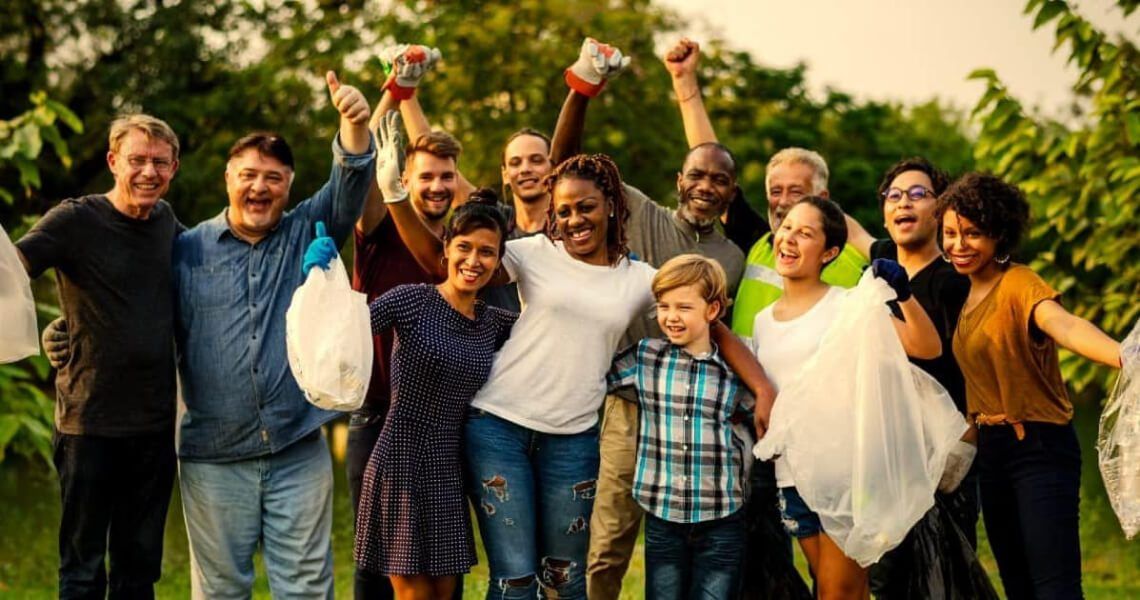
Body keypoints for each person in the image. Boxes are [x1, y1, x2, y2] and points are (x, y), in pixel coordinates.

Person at [378, 98, 775, 595]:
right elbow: (448, 264)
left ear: (611, 204)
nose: (573, 221)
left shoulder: (638, 280)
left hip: (574, 437)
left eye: (585, 207)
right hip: (498, 426)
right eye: (562, 211)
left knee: (564, 580)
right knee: (515, 577)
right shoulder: (531, 254)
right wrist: (395, 196)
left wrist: (762, 388)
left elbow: (710, 324)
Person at [559, 38, 750, 600]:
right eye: (697, 174)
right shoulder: (640, 211)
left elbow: (721, 335)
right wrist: (586, 86)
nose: (706, 185)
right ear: (679, 179)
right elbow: (567, 163)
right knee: (609, 539)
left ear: (730, 192)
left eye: (718, 179)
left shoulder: (733, 258)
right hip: (630, 400)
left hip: (693, 409)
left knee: (686, 549)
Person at [172, 72, 374, 598]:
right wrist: (69, 332)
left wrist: (354, 124)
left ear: (288, 185)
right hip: (213, 454)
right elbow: (133, 313)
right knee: (220, 590)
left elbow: (351, 178)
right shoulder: (186, 249)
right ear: (228, 178)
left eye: (273, 177)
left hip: (296, 446)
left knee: (306, 587)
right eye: (248, 174)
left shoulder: (311, 226)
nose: (259, 186)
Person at [315, 114, 518, 597]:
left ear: (499, 260)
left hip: (450, 461)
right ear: (445, 250)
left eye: (487, 253)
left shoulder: (495, 323)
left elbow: (546, 339)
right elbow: (341, 336)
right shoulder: (411, 299)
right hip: (399, 454)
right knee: (407, 593)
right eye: (464, 248)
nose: (474, 261)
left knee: (448, 592)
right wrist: (320, 283)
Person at [15, 114, 181, 599]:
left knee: (138, 570)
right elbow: (13, 269)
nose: (148, 172)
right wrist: (42, 330)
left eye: (159, 162)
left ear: (173, 168)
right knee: (82, 571)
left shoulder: (168, 223)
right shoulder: (75, 219)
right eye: (137, 160)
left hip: (153, 429)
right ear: (113, 161)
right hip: (87, 426)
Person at [938, 172, 1124, 599]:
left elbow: (1063, 325)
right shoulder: (962, 296)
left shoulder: (1020, 283)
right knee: (1017, 585)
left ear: (1000, 235)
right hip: (992, 452)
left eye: (973, 234)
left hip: (1039, 446)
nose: (959, 245)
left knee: (1054, 588)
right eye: (950, 233)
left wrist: (1123, 356)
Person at [752, 196, 942, 599]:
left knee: (839, 593)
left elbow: (927, 347)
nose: (789, 238)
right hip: (791, 477)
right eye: (786, 227)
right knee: (834, 589)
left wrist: (903, 295)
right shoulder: (762, 322)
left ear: (830, 252)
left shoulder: (847, 305)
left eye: (805, 233)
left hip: (846, 474)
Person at [393, 38, 628, 312]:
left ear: (552, 171)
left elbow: (567, 159)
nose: (526, 168)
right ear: (505, 174)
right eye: (515, 162)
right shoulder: (495, 219)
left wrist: (582, 88)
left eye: (537, 160)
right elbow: (433, 157)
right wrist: (405, 91)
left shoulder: (569, 224)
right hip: (498, 349)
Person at [844, 158, 984, 594]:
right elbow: (851, 230)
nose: (904, 202)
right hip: (884, 452)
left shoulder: (954, 281)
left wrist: (969, 438)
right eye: (894, 195)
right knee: (887, 579)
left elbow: (969, 366)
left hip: (941, 454)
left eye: (919, 194)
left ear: (942, 209)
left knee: (943, 581)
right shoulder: (883, 261)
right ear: (885, 210)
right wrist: (807, 194)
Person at [346, 47, 448, 600]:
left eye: (445, 178)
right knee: (373, 555)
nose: (435, 186)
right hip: (376, 409)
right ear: (404, 177)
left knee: (435, 555)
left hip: (439, 419)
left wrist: (411, 97)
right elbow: (364, 157)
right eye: (423, 175)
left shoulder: (456, 244)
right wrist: (396, 89)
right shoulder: (379, 226)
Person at [607, 254, 752, 600]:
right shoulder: (645, 357)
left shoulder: (732, 370)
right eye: (663, 306)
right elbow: (593, 375)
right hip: (663, 513)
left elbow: (759, 415)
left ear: (712, 310)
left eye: (684, 307)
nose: (671, 317)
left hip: (721, 513)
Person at [730, 148, 867, 338]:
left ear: (822, 198)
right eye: (776, 191)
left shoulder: (858, 267)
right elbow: (713, 167)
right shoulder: (756, 241)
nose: (784, 201)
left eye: (796, 192)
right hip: (738, 367)